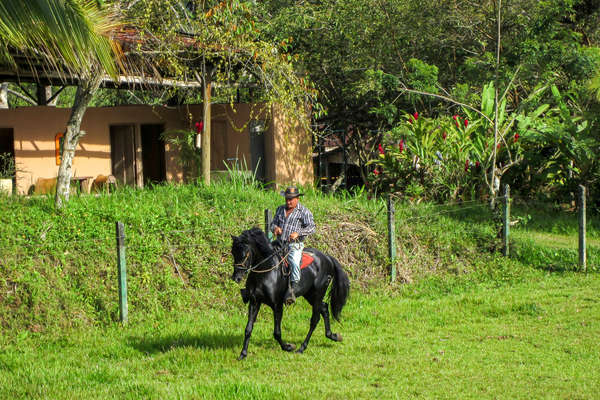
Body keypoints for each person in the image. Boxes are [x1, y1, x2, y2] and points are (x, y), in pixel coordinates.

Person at [270, 186, 315, 305]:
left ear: (297, 199)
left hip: (294, 245)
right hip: (279, 243)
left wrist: (298, 233)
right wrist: (275, 228)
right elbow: (273, 223)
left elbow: (311, 227)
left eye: (291, 199)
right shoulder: (280, 209)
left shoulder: (304, 212)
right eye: (287, 199)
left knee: (294, 262)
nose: (288, 201)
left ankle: (293, 289)